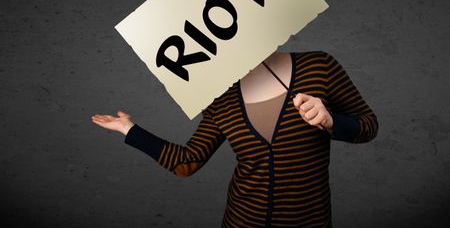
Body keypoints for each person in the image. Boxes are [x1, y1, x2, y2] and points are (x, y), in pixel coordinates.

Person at [92, 50, 378, 227]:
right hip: (241, 221)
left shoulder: (319, 67)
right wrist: (129, 129)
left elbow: (368, 125)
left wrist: (331, 121)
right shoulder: (221, 98)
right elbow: (187, 162)